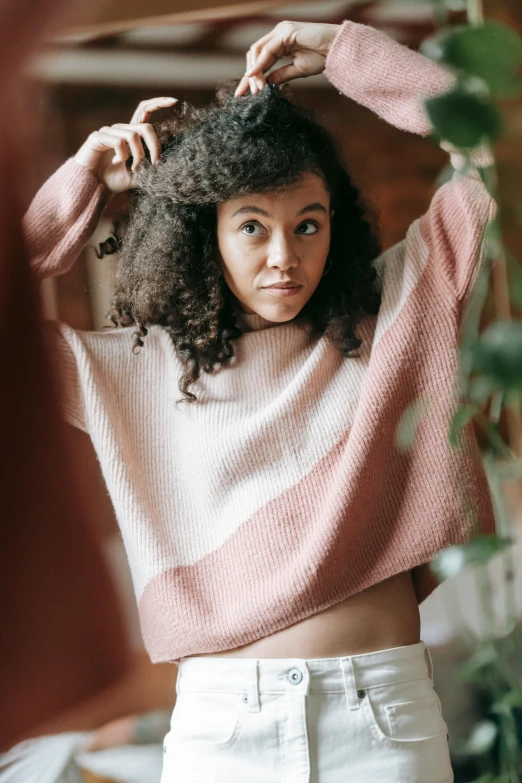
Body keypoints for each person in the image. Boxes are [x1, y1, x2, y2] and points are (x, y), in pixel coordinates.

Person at [23, 18, 497, 783]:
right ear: (206, 234)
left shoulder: (398, 315)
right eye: (253, 226)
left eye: (307, 224)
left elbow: (493, 143)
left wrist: (347, 51)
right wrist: (80, 181)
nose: (286, 257)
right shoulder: (136, 371)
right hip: (220, 731)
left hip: (379, 719)